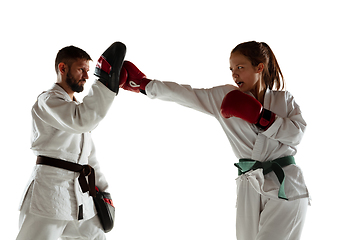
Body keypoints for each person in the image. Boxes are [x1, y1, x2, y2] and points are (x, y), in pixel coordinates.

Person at [119, 41, 310, 240]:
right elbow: (186, 94)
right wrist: (142, 84)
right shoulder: (225, 96)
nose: (234, 74)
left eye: (240, 67)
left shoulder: (284, 100)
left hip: (286, 188)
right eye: (232, 69)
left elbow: (296, 135)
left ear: (259, 67)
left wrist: (261, 117)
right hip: (250, 186)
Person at [16, 42, 126, 240]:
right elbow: (82, 120)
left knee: (96, 236)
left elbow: (89, 159)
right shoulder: (48, 101)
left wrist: (104, 192)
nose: (86, 75)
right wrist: (106, 81)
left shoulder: (75, 108)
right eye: (81, 69)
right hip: (50, 193)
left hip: (80, 196)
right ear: (63, 68)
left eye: (89, 70)